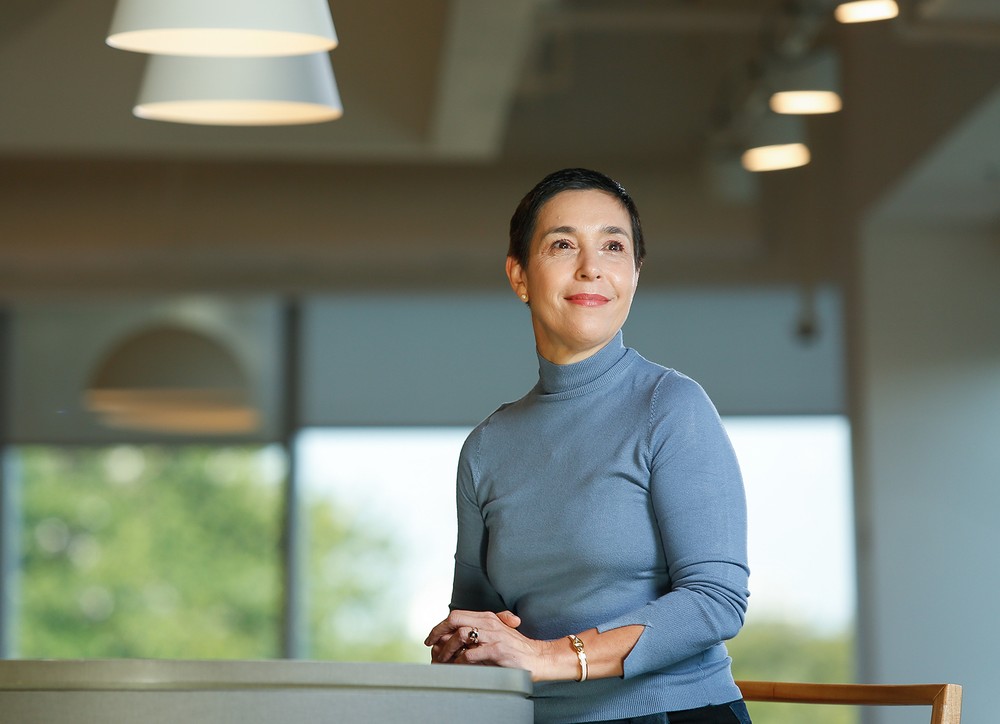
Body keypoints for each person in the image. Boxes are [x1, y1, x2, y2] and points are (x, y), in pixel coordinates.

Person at [424, 168, 751, 724]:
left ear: (634, 274)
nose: (591, 267)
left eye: (613, 246)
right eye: (562, 244)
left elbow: (716, 600)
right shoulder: (486, 447)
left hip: (673, 714)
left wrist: (549, 657)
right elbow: (480, 620)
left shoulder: (671, 405)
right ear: (519, 275)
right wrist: (465, 644)